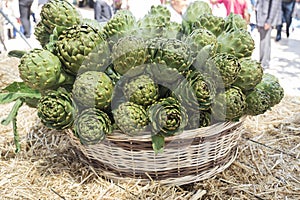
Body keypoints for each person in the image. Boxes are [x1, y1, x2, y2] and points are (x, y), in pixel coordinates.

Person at [256, 0, 282, 68]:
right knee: (264, 41)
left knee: (265, 41)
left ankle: (264, 62)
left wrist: (269, 21)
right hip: (262, 17)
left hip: (266, 19)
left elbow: (274, 5)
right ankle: (264, 61)